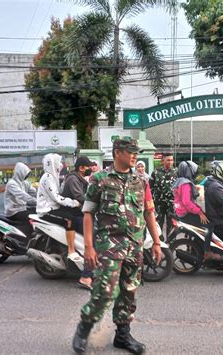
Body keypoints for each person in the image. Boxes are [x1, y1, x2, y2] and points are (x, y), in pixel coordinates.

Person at [72, 137, 162, 354]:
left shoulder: (141, 180)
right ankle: (84, 328)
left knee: (129, 291)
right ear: (117, 152)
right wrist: (89, 247)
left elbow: (149, 212)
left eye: (136, 152)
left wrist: (157, 241)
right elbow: (88, 213)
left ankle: (123, 335)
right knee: (105, 292)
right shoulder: (99, 179)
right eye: (130, 151)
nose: (135, 155)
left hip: (135, 246)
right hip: (109, 246)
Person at [36, 153, 82, 267]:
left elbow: (60, 192)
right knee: (69, 219)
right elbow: (56, 197)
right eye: (59, 162)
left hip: (54, 208)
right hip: (47, 210)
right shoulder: (47, 177)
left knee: (76, 216)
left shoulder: (54, 176)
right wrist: (74, 203)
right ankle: (71, 251)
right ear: (53, 164)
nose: (61, 165)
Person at [173, 161, 221, 261]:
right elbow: (187, 203)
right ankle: (207, 251)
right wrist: (199, 212)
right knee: (209, 225)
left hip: (180, 212)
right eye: (193, 171)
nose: (194, 173)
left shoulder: (179, 181)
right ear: (188, 171)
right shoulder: (185, 184)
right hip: (185, 213)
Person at [61, 155, 95, 290]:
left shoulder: (80, 179)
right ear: (81, 168)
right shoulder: (73, 179)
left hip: (81, 212)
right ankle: (86, 276)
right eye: (88, 167)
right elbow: (80, 197)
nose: (90, 169)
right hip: (74, 215)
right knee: (94, 240)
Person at [150, 152, 177, 237]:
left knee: (172, 224)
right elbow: (150, 187)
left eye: (171, 160)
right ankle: (159, 242)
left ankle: (171, 244)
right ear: (163, 161)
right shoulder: (156, 172)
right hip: (159, 203)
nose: (170, 162)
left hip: (171, 204)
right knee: (158, 224)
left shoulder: (176, 172)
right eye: (168, 160)